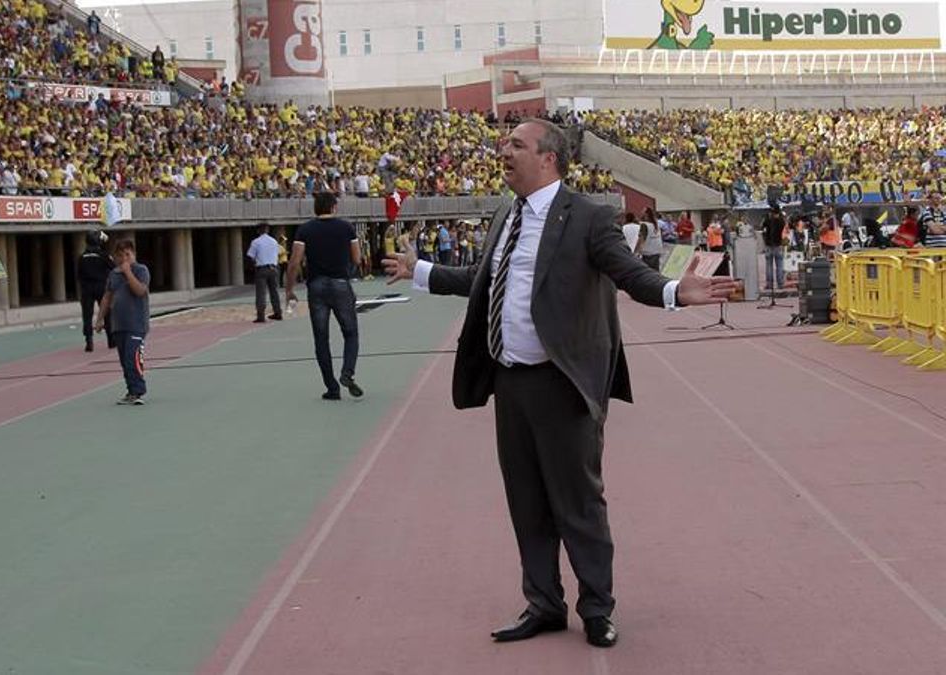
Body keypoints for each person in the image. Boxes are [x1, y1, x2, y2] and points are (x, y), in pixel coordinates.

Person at [382, 119, 735, 648]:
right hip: (512, 382)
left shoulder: (588, 217)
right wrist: (421, 270)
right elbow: (484, 280)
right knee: (526, 501)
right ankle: (543, 603)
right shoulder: (506, 214)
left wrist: (672, 292)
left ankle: (597, 609)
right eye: (505, 145)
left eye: (516, 146)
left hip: (563, 384)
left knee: (578, 504)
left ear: (548, 158)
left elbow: (629, 274)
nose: (504, 152)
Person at [286, 192, 364, 400]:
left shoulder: (305, 230)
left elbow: (294, 262)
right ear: (334, 207)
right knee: (350, 332)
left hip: (317, 286)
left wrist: (289, 289)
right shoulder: (346, 227)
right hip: (340, 284)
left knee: (321, 338)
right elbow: (357, 258)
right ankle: (347, 373)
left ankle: (332, 388)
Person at [95, 239, 151, 405]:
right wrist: (99, 319)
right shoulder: (113, 274)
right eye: (121, 255)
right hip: (119, 325)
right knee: (123, 361)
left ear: (133, 254)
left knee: (131, 357)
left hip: (137, 324)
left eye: (128, 254)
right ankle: (131, 390)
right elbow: (107, 297)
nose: (124, 258)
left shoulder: (141, 270)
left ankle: (138, 390)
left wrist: (128, 273)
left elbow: (140, 291)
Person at [77, 229, 114, 351]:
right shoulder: (103, 255)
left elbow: (79, 275)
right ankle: (111, 340)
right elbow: (113, 268)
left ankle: (89, 341)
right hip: (101, 287)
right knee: (107, 313)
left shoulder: (82, 257)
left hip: (87, 289)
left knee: (87, 316)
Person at [246, 221, 283, 323]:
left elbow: (250, 256)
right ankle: (278, 312)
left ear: (258, 230)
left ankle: (261, 315)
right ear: (268, 230)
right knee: (274, 291)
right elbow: (278, 254)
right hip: (274, 268)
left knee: (261, 293)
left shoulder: (256, 242)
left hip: (261, 268)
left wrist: (255, 263)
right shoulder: (274, 241)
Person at [761, 204, 787, 292]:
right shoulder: (781, 221)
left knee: (769, 265)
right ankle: (780, 284)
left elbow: (763, 229)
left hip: (769, 245)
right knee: (779, 265)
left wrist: (765, 240)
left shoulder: (767, 220)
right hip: (778, 245)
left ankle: (769, 284)